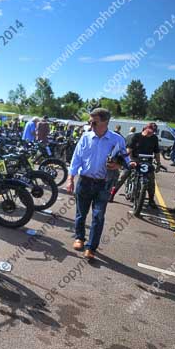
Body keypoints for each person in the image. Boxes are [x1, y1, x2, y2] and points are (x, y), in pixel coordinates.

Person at [67, 108, 135, 260]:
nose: (90, 124)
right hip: (84, 181)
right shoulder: (85, 137)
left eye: (94, 122)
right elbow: (76, 158)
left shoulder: (116, 139)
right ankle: (79, 238)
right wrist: (71, 178)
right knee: (80, 213)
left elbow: (125, 159)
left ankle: (91, 247)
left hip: (104, 184)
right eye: (89, 121)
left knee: (98, 216)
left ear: (105, 122)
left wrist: (119, 166)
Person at [110, 123, 161, 207]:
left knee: (151, 180)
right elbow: (129, 150)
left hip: (147, 161)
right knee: (123, 176)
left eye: (153, 131)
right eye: (150, 131)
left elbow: (157, 152)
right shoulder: (136, 137)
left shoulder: (154, 138)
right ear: (145, 128)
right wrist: (129, 161)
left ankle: (151, 200)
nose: (151, 133)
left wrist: (158, 163)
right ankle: (112, 195)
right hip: (135, 159)